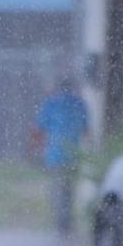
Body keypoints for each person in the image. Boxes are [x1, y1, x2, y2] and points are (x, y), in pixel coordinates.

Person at [35, 78, 89, 236]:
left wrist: (37, 148)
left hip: (55, 155)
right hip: (73, 155)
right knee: (69, 191)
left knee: (57, 190)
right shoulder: (80, 104)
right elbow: (86, 130)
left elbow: (40, 128)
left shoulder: (51, 104)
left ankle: (60, 224)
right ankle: (67, 223)